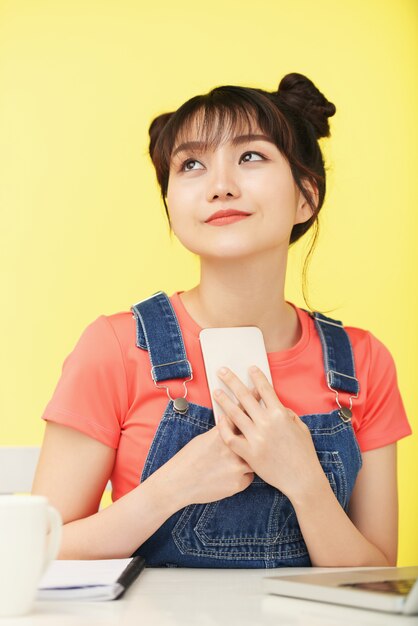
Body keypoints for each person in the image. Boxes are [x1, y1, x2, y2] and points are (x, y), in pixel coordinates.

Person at [32, 72, 411, 568]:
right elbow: (36, 549)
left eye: (250, 156)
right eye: (191, 164)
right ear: (170, 204)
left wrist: (304, 480)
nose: (220, 186)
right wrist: (170, 489)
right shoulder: (116, 347)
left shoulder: (363, 362)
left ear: (306, 196)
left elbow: (379, 579)